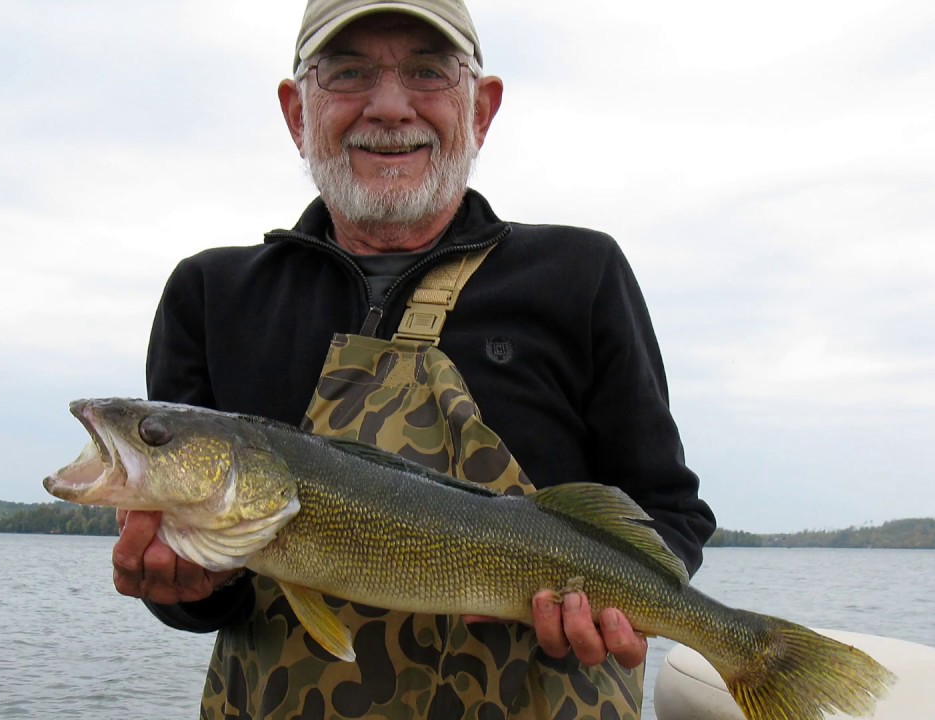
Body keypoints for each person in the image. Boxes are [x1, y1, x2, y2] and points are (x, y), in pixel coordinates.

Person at [112, 0, 716, 717]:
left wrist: (623, 605)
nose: (391, 106)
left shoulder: (581, 274)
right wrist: (183, 586)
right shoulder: (210, 294)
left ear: (481, 108)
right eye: (348, 72)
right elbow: (202, 599)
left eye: (428, 71)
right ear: (296, 112)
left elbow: (667, 510)